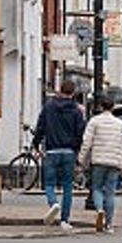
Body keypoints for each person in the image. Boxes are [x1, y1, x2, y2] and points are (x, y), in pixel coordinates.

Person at [33, 80, 88, 231]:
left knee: (49, 183)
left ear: (60, 89)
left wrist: (36, 144)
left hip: (51, 150)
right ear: (73, 92)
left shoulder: (49, 106)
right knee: (68, 186)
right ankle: (65, 220)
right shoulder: (77, 110)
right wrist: (77, 150)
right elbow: (80, 132)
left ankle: (53, 203)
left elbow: (41, 126)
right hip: (69, 151)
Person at [82, 95, 122, 234]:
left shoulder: (94, 121)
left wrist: (82, 159)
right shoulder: (119, 124)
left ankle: (99, 210)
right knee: (110, 193)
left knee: (96, 188)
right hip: (115, 162)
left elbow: (87, 142)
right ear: (113, 107)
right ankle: (109, 224)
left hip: (98, 160)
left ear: (101, 107)